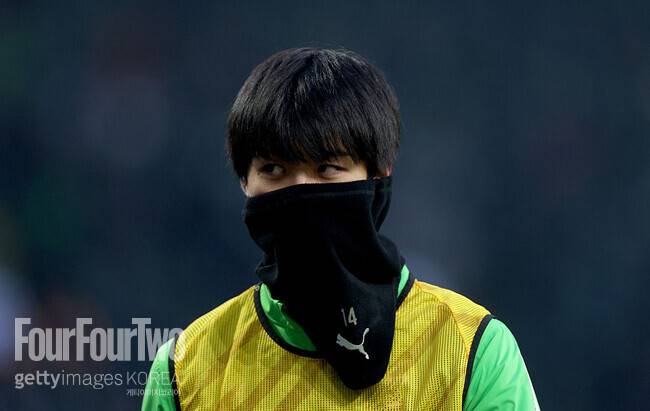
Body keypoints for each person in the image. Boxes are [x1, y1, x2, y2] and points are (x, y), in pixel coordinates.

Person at [141, 47, 540, 410]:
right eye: (274, 169)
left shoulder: (471, 350)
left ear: (379, 175)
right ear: (244, 181)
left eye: (327, 168)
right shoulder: (185, 368)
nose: (300, 190)